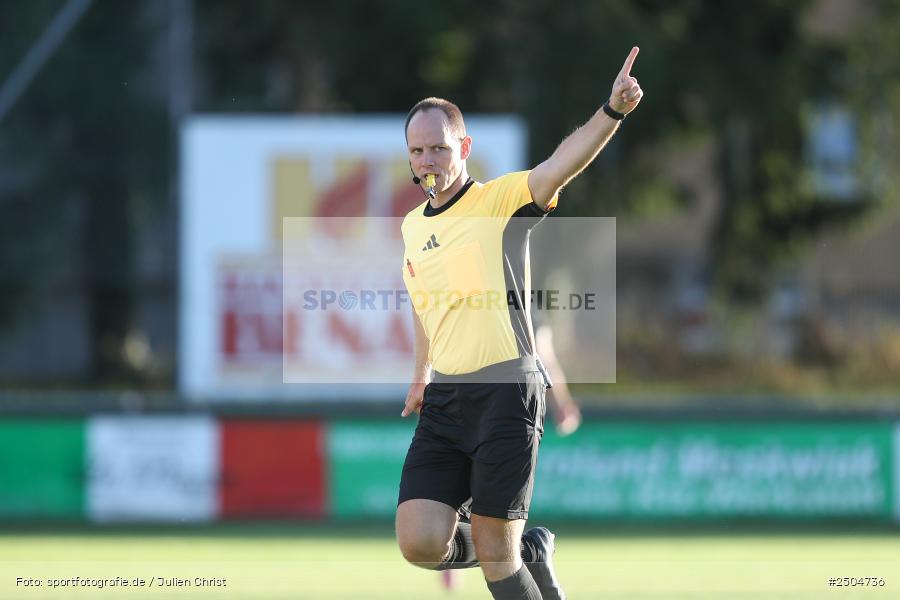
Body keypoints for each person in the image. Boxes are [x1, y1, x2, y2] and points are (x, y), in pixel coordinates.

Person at [396, 47, 643, 600]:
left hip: (507, 390)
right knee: (418, 541)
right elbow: (422, 301)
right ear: (409, 158)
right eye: (418, 151)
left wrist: (612, 110)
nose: (429, 159)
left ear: (464, 148)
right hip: (446, 399)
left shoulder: (500, 200)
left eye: (439, 147)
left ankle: (516, 552)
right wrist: (421, 373)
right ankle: (525, 547)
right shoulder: (413, 227)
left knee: (496, 561)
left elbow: (561, 164)